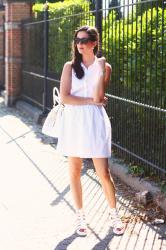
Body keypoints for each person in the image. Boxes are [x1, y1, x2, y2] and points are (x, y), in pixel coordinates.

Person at [57, 25, 125, 236]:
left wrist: (102, 66)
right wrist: (90, 101)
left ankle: (114, 216)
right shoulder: (69, 67)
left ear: (95, 43)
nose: (80, 44)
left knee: (103, 173)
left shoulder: (105, 67)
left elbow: (98, 97)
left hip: (95, 121)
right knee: (75, 170)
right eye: (77, 40)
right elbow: (65, 97)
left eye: (85, 40)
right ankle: (80, 217)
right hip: (74, 121)